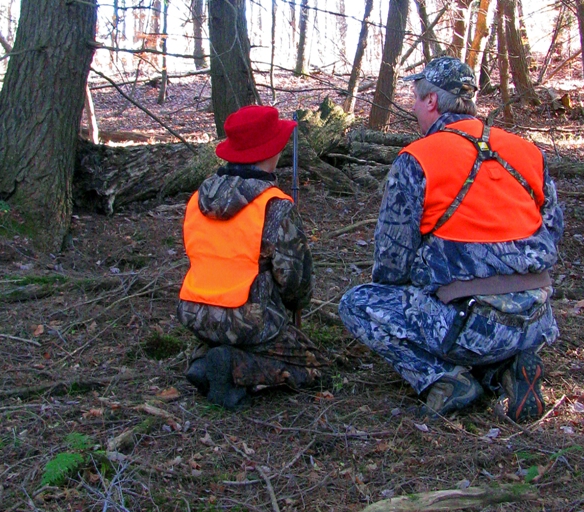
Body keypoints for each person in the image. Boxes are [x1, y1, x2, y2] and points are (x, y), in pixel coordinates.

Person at [339, 57, 563, 422]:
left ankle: (447, 378)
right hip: (537, 320)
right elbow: (552, 232)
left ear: (430, 102)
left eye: (415, 98)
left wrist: (419, 293)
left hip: (467, 325)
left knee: (357, 304)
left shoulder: (418, 159)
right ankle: (506, 369)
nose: (412, 107)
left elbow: (391, 261)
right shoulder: (527, 151)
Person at [178, 105, 324, 408]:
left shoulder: (197, 198)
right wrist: (293, 312)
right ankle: (231, 366)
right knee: (313, 366)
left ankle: (204, 358)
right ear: (271, 151)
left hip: (195, 314)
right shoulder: (275, 206)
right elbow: (295, 282)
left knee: (230, 329)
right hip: (249, 322)